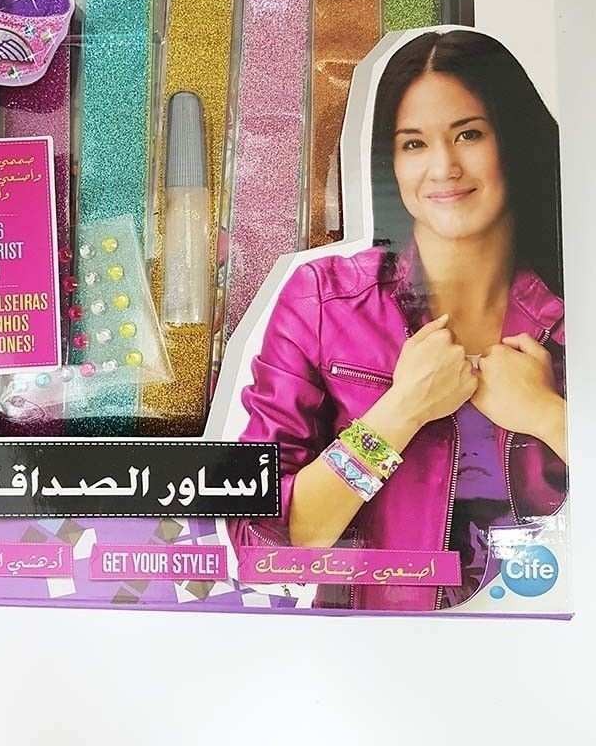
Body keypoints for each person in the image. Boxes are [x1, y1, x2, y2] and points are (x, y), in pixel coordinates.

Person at [227, 30, 567, 611]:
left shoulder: (573, 314)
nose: (443, 167)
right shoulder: (324, 303)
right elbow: (262, 547)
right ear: (391, 162)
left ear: (513, 141)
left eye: (469, 134)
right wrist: (398, 414)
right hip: (373, 651)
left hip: (554, 646)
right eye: (414, 144)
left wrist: (549, 416)